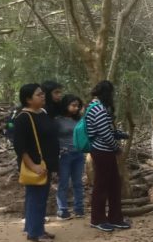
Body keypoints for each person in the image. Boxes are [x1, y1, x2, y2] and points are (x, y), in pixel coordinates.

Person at [13, 83, 60, 242]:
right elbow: (20, 147)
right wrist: (33, 165)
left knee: (40, 196)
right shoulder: (23, 118)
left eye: (42, 94)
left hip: (47, 163)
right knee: (36, 197)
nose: (43, 96)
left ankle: (36, 227)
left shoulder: (43, 113)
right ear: (28, 99)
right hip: (35, 164)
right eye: (38, 95)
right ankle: (35, 233)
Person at [86, 80, 129, 232]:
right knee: (102, 185)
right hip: (102, 151)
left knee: (113, 184)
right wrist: (116, 148)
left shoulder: (98, 107)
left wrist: (120, 135)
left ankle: (115, 217)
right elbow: (104, 134)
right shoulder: (98, 109)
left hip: (104, 151)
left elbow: (107, 131)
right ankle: (97, 219)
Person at [54, 94, 85, 220]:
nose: (76, 108)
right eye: (73, 105)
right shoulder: (57, 120)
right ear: (66, 105)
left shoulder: (78, 120)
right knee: (63, 183)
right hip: (64, 155)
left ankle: (79, 209)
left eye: (78, 106)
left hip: (78, 154)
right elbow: (52, 138)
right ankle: (63, 210)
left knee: (78, 183)